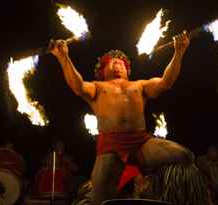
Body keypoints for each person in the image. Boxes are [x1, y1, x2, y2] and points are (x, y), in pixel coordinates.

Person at [49, 31, 208, 205]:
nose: (117, 63)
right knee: (99, 199)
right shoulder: (97, 87)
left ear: (127, 69)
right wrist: (63, 58)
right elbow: (78, 86)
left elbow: (166, 83)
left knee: (185, 156)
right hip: (111, 145)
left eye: (121, 62)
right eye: (112, 62)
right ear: (103, 70)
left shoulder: (140, 85)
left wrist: (179, 51)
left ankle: (161, 192)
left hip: (141, 141)